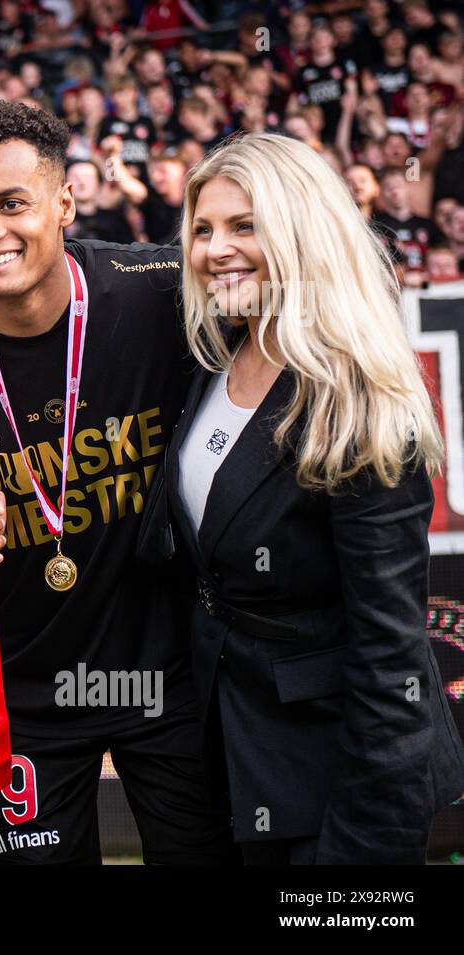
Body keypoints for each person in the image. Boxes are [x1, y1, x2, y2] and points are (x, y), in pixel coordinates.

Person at [0, 101, 234, 865]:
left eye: (12, 204)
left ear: (65, 203)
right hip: (22, 698)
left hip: (173, 678)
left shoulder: (161, 291)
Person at [148, 132, 464, 864]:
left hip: (337, 787)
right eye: (201, 229)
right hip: (229, 761)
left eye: (244, 225)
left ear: (300, 231)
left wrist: (361, 847)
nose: (213, 249)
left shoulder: (355, 399)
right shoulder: (216, 365)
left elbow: (389, 654)